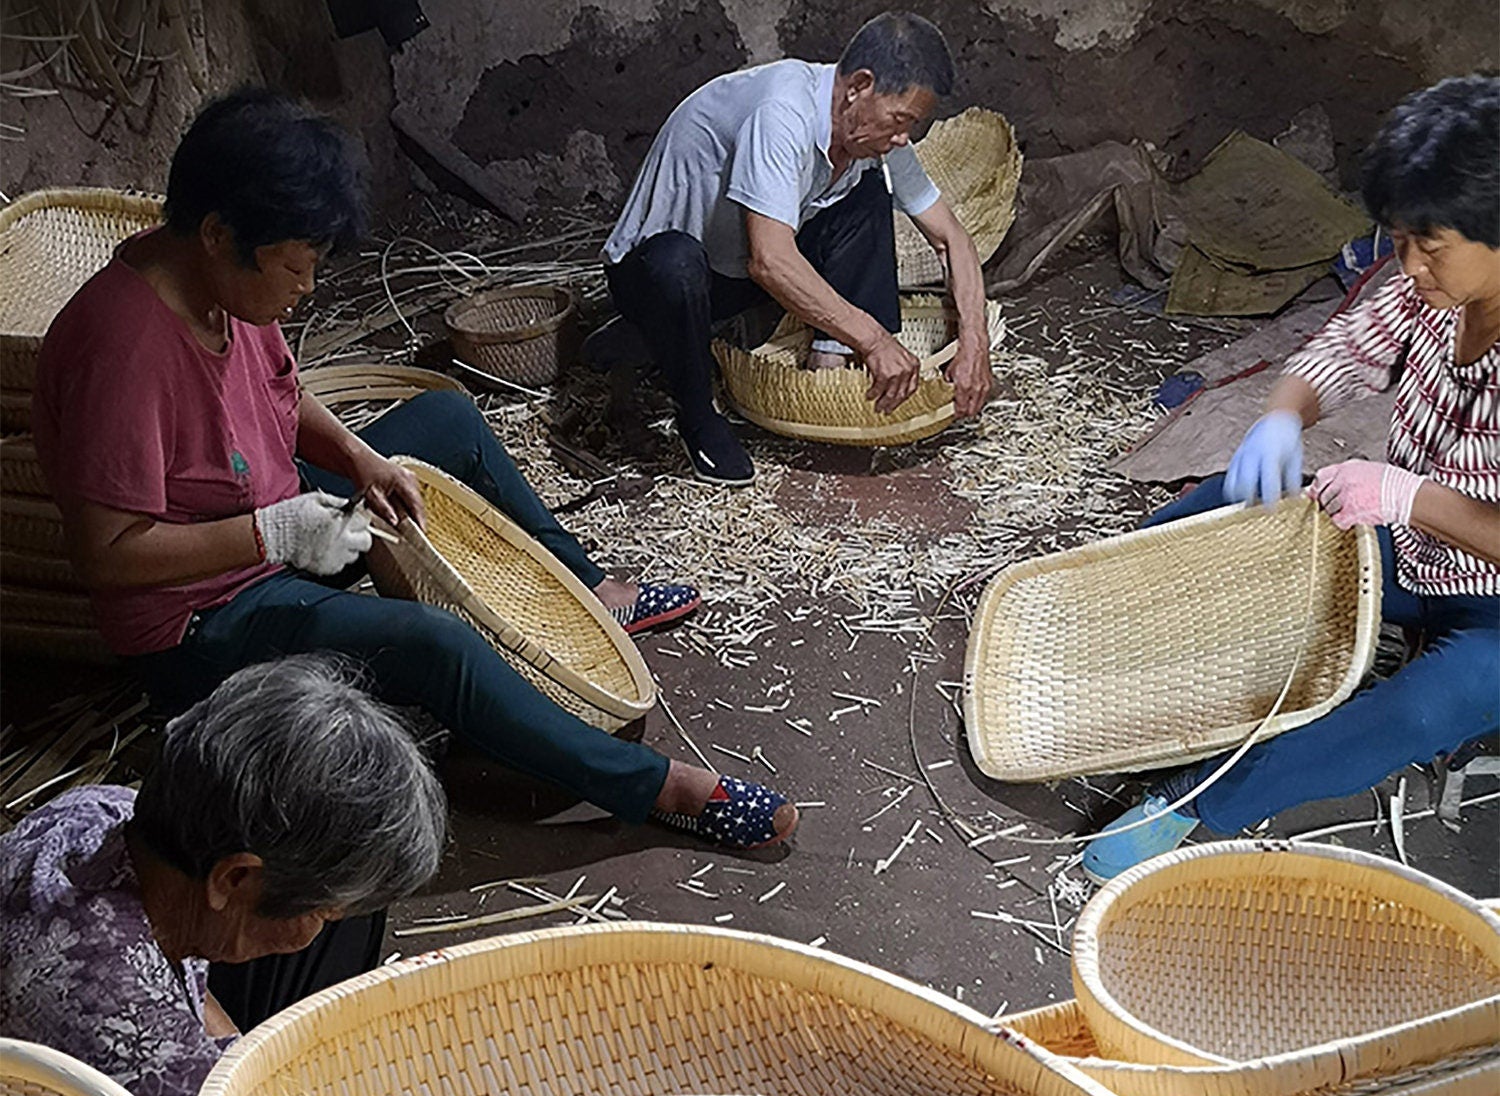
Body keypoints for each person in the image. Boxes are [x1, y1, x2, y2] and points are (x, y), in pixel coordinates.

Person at [32, 88, 796, 853]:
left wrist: (362, 461)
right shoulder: (121, 350)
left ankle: (592, 590)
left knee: (449, 421)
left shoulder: (224, 288)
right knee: (433, 643)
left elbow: (284, 397)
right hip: (203, 618)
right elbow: (111, 553)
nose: (304, 293)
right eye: (295, 270)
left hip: (285, 525)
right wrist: (273, 533)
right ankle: (653, 786)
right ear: (216, 233)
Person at [1084, 75, 1499, 883]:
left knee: (1415, 712)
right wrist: (1282, 414)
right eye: (1401, 240)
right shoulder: (1431, 288)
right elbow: (1344, 349)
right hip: (1411, 545)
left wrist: (1411, 495)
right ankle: (1103, 634)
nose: (1410, 265)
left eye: (1432, 245)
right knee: (1230, 505)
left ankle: (1199, 802)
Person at [0, 658, 447, 1096]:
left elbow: (184, 978)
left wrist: (231, 1048)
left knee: (352, 907)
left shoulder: (103, 809)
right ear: (233, 879)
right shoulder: (145, 1049)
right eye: (322, 910)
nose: (327, 918)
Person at [594, 12, 995, 486]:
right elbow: (769, 260)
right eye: (901, 119)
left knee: (868, 190)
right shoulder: (782, 112)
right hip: (660, 274)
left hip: (734, 272)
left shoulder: (873, 133)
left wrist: (975, 343)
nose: (904, 136)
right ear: (859, 86)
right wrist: (873, 339)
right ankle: (697, 414)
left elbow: (952, 238)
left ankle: (827, 364)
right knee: (677, 264)